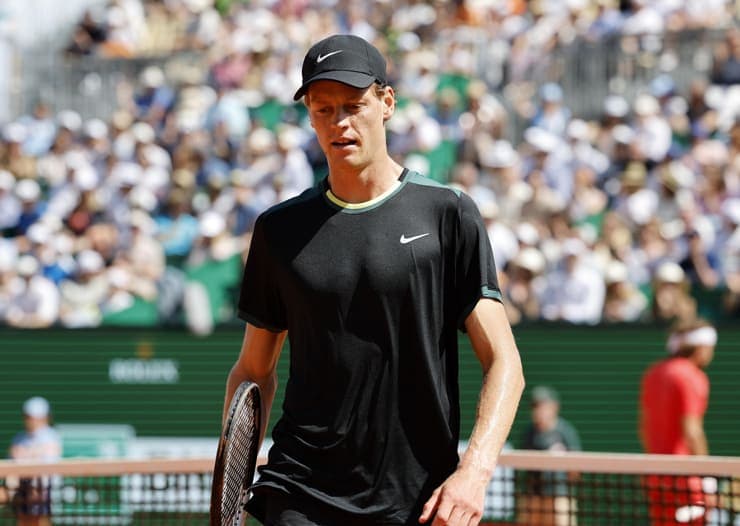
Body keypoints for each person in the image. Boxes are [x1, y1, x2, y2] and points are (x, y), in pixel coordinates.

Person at [222, 34, 525, 526]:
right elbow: (253, 371)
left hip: (416, 501)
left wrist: (475, 473)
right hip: (297, 491)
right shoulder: (277, 230)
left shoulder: (448, 213)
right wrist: (231, 479)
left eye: (353, 105)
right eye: (323, 110)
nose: (339, 122)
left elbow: (504, 361)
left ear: (386, 103)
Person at [639, 319, 718, 526]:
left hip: (656, 476)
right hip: (686, 479)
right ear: (700, 348)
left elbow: (644, 427)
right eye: (711, 347)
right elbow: (692, 430)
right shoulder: (692, 376)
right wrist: (706, 475)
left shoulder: (654, 373)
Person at [517, 386, 581, 526]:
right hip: (533, 497)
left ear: (554, 407)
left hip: (559, 497)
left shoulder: (565, 432)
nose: (538, 411)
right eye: (534, 406)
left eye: (542, 406)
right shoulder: (529, 434)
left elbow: (576, 470)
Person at [6, 397, 62, 526]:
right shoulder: (19, 438)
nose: (31, 420)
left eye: (34, 417)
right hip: (21, 490)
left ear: (45, 417)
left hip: (43, 491)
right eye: (28, 416)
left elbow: (47, 467)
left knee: (39, 521)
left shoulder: (51, 437)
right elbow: (13, 462)